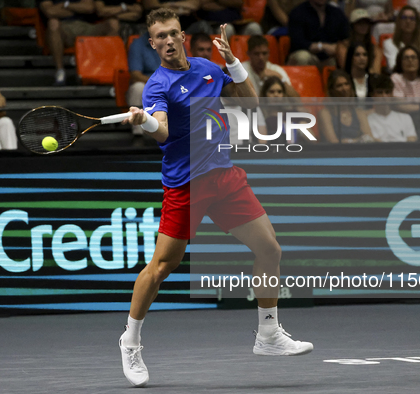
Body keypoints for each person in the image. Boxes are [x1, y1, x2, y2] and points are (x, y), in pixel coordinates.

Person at [118, 8, 314, 388]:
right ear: (152, 42)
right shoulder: (156, 86)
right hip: (186, 185)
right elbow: (162, 132)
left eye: (174, 33)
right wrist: (144, 120)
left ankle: (269, 335)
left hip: (224, 176)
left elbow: (250, 104)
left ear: (183, 36)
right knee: (161, 268)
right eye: (161, 37)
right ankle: (130, 340)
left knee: (269, 249)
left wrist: (234, 63)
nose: (170, 41)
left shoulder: (207, 68)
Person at [39, 0, 119, 86]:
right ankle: (60, 71)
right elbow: (50, 12)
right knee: (53, 22)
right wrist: (76, 9)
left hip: (86, 27)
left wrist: (65, 5)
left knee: (113, 23)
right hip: (63, 28)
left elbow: (89, 8)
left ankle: (106, 69)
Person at [287, 0, 349, 67]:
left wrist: (338, 48)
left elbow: (346, 38)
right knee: (302, 57)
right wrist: (322, 46)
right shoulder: (298, 12)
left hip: (330, 57)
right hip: (307, 54)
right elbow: (297, 43)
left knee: (346, 55)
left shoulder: (337, 13)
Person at [319, 69, 374, 143]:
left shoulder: (358, 112)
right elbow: (332, 141)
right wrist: (355, 141)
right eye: (339, 86)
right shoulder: (325, 113)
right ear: (332, 90)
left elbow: (368, 137)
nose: (344, 89)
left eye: (346, 84)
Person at [127, 32, 161, 136]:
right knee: (137, 88)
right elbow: (135, 74)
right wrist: (158, 83)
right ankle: (138, 133)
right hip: (147, 84)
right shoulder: (138, 44)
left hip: (170, 84)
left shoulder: (175, 44)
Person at [367, 73, 418, 142]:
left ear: (392, 94)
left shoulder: (405, 118)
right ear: (373, 96)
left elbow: (412, 139)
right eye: (380, 92)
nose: (384, 96)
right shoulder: (367, 120)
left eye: (387, 92)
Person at [383, 5, 420, 74]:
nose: (408, 21)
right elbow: (393, 67)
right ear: (399, 22)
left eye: (412, 18)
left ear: (417, 23)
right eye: (404, 17)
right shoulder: (389, 43)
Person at [336, 8, 382, 74]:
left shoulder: (375, 49)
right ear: (352, 25)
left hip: (370, 80)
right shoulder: (343, 47)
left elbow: (376, 72)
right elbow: (347, 69)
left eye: (366, 23)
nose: (364, 25)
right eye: (359, 23)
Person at [391, 46, 420, 113]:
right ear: (400, 62)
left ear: (419, 61)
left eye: (413, 57)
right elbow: (400, 106)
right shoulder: (395, 78)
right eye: (406, 58)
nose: (410, 60)